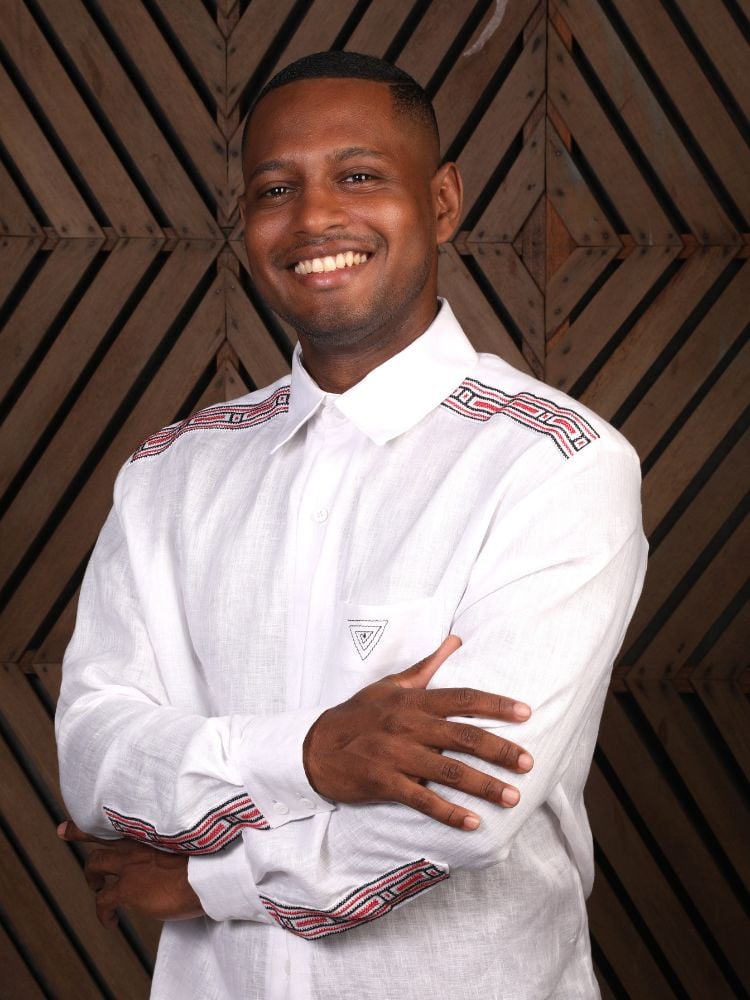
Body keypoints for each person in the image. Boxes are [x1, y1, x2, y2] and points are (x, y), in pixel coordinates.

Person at [56, 52, 648, 1000]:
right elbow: (95, 759)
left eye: (360, 176)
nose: (316, 218)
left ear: (444, 200)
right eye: (275, 188)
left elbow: (462, 811)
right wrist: (312, 757)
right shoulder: (171, 473)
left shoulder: (557, 466)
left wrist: (208, 877)